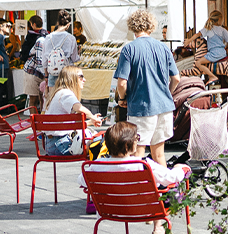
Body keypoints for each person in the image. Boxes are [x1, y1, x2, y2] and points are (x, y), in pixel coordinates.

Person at [114, 9, 180, 165]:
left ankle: (139, 188)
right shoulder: (163, 48)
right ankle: (163, 188)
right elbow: (176, 78)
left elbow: (122, 83)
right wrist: (167, 93)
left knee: (138, 152)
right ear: (151, 26)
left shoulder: (129, 49)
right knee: (159, 154)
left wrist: (123, 98)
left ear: (132, 26)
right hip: (164, 106)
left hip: (141, 107)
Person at [42, 65, 103, 155]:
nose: (84, 80)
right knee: (100, 142)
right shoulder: (66, 93)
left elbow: (67, 126)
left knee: (97, 142)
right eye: (81, 76)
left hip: (53, 145)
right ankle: (99, 167)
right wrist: (93, 117)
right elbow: (79, 108)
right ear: (72, 78)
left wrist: (90, 122)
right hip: (62, 145)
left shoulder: (59, 93)